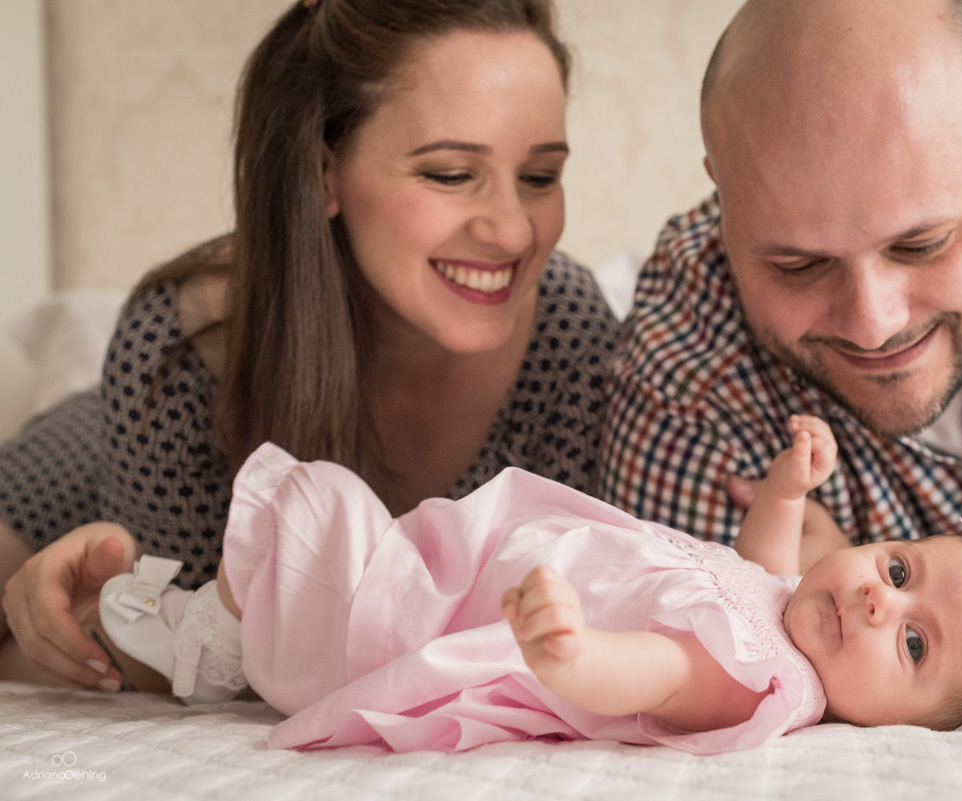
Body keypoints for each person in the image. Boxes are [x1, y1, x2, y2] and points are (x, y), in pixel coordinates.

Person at [0, 0, 617, 693]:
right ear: (325, 172)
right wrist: (81, 632)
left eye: (539, 177)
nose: (511, 232)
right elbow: (195, 656)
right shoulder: (178, 349)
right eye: (449, 174)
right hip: (96, 450)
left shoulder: (569, 330)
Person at [603, 0, 962, 678]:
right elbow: (694, 656)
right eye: (798, 265)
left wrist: (875, 568)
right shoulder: (682, 357)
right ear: (725, 202)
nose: (873, 323)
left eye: (922, 243)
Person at [94, 415, 962, 753]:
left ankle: (212, 641)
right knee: (349, 524)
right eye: (900, 569)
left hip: (438, 628)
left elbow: (657, 676)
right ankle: (222, 625)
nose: (879, 599)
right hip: (466, 576)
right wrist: (787, 489)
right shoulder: (784, 611)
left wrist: (573, 654)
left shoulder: (763, 679)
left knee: (326, 507)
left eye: (913, 643)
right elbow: (770, 556)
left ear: (909, 730)